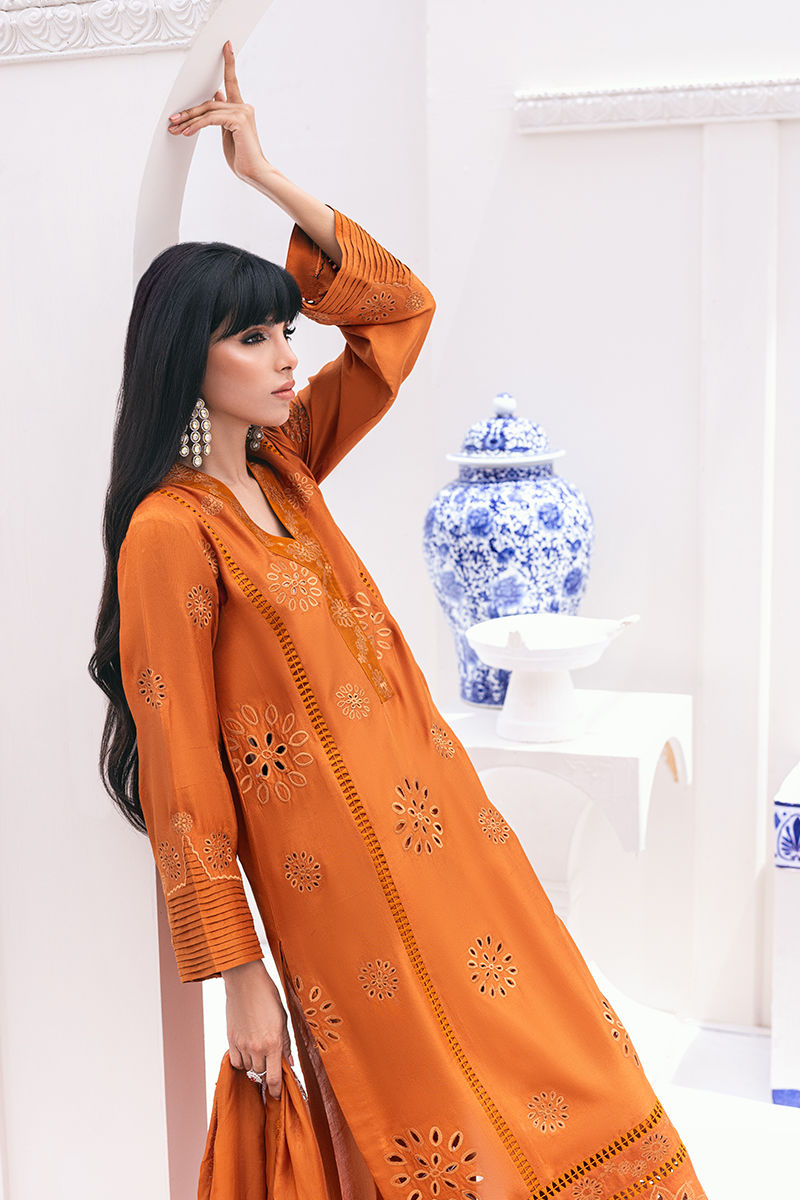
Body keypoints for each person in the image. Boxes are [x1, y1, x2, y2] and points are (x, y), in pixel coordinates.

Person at [89, 39, 707, 1200]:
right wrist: (237, 971)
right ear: (186, 360)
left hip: (449, 843)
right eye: (253, 337)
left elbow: (397, 315)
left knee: (561, 1060)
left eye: (284, 331)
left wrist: (265, 175)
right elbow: (180, 772)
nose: (287, 357)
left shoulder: (284, 470)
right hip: (332, 897)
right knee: (428, 1126)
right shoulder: (171, 533)